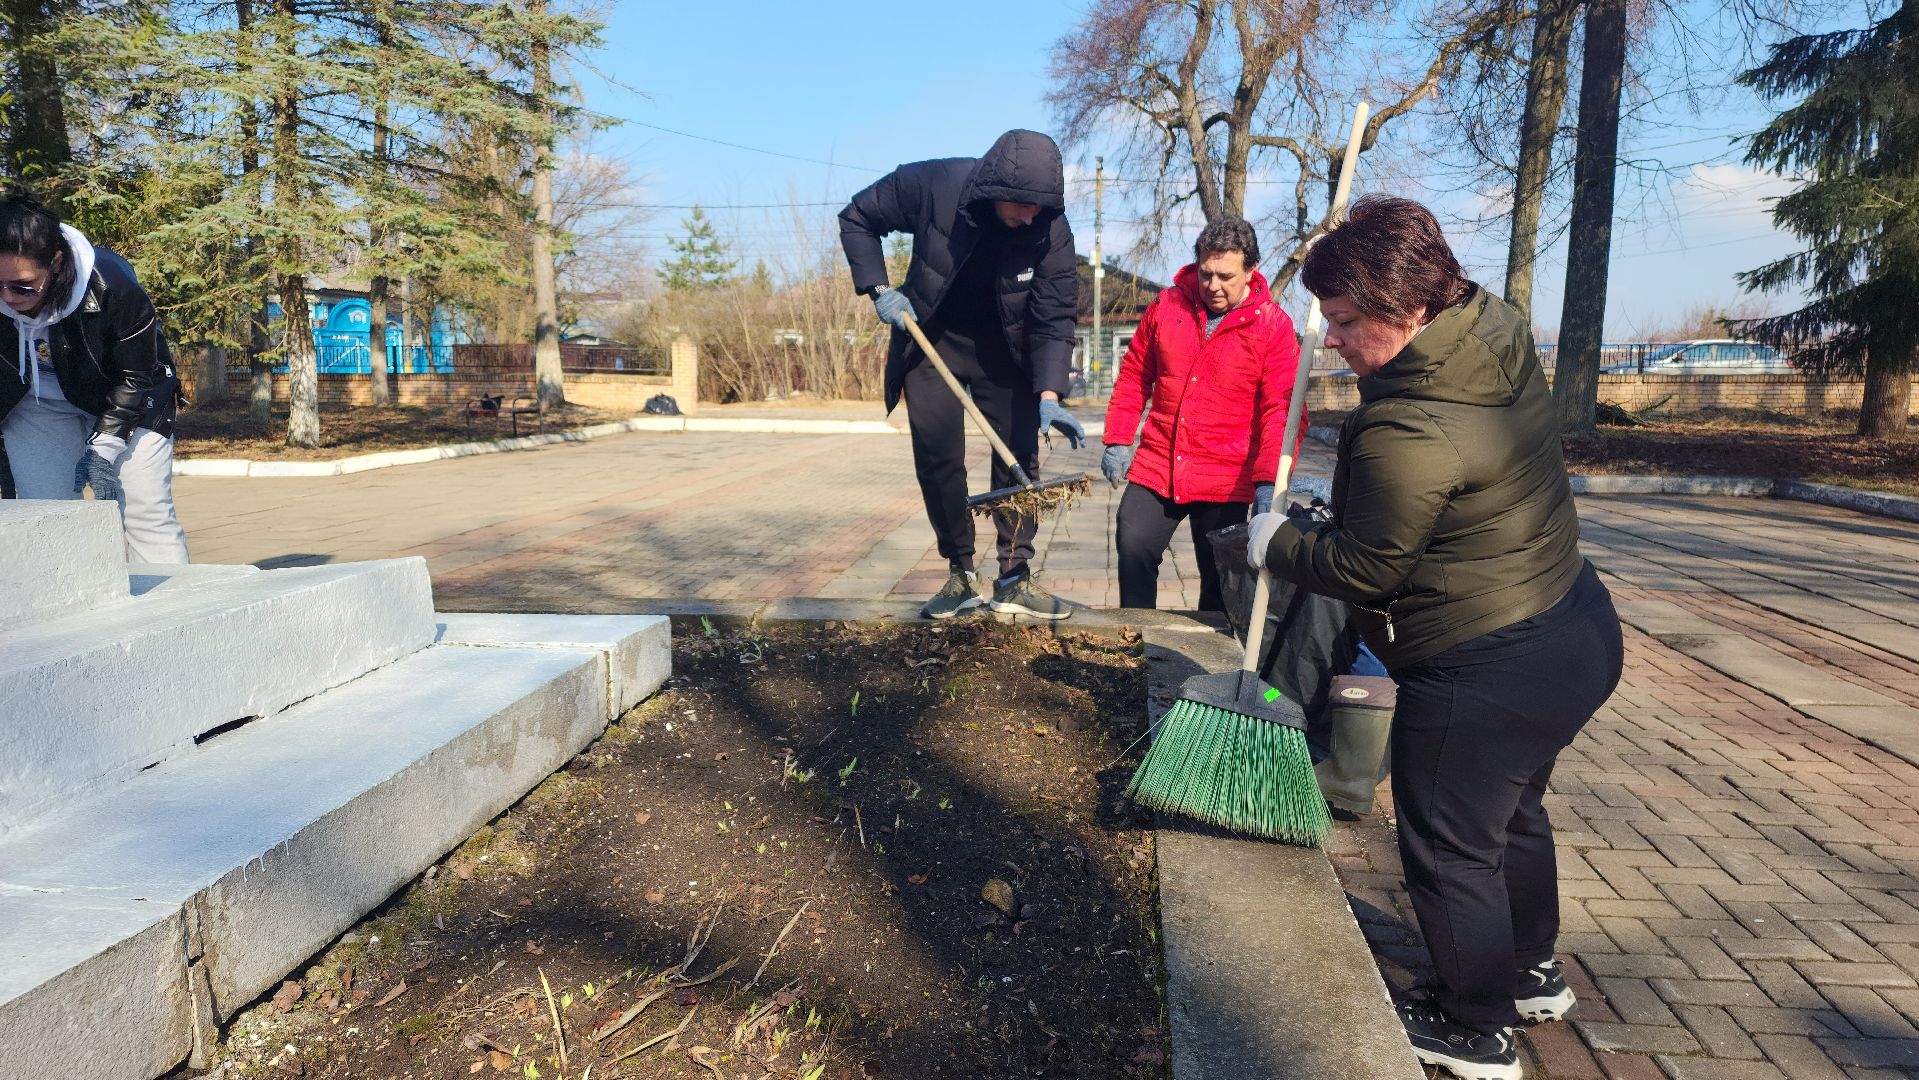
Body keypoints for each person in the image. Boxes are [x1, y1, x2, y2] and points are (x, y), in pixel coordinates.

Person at [1246, 196, 1622, 1080]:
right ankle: (1528, 973)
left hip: (1486, 662)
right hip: (1574, 629)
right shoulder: (1486, 326)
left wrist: (1280, 542)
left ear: (1406, 310)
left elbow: (1368, 569)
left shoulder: (1406, 428)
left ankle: (1471, 1023)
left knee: (1450, 845)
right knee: (1509, 812)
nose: (1328, 341)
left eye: (1341, 322)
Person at [839, 129, 1084, 621]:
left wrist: (1050, 393)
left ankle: (1014, 579)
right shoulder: (936, 183)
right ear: (995, 189)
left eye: (1040, 207)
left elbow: (1056, 315)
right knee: (938, 457)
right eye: (1022, 204)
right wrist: (878, 288)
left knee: (1018, 456)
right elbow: (858, 216)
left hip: (1006, 352)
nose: (1030, 215)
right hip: (931, 340)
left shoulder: (1050, 228)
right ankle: (960, 573)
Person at [1100, 216, 1302, 611]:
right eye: (1206, 273)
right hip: (1160, 464)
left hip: (1226, 475)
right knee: (1133, 540)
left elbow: (1282, 408)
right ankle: (1136, 635)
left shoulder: (1272, 327)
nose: (1213, 285)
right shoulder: (1167, 306)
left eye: (1225, 276)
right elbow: (1134, 375)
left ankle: (1214, 658)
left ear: (1250, 270)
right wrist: (1118, 438)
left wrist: (1269, 480)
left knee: (1220, 579)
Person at [0, 192, 190, 563]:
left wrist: (104, 447)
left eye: (22, 285)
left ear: (55, 263)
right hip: (38, 406)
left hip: (130, 400)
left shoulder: (112, 284)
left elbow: (140, 376)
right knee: (46, 516)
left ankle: (167, 613)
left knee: (142, 513)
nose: (8, 297)